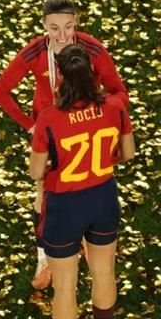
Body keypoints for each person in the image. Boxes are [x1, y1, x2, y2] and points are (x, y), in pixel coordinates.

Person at [0, 0, 129, 289]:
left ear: (76, 22)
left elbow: (119, 92)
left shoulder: (91, 49)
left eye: (68, 26)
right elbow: (0, 91)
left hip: (85, 130)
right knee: (44, 191)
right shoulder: (34, 53)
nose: (63, 36)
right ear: (44, 26)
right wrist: (31, 125)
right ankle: (45, 257)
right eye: (54, 28)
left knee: (91, 183)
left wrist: (100, 111)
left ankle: (93, 243)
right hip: (51, 135)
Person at [29, 44, 134, 319]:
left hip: (66, 204)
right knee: (104, 272)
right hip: (103, 196)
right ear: (91, 73)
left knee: (65, 287)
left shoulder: (49, 118)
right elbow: (128, 153)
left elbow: (35, 170)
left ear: (61, 78)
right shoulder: (115, 106)